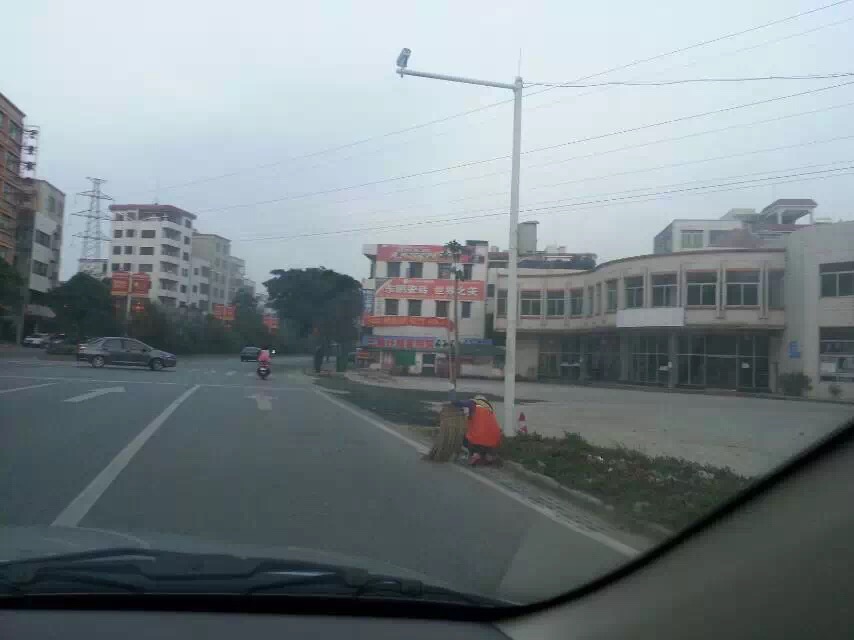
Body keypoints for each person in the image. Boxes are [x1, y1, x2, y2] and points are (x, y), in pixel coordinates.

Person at [453, 395, 502, 465]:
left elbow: (458, 403)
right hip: (495, 440)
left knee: (464, 438)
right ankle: (488, 455)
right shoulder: (489, 410)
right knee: (484, 442)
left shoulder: (474, 403)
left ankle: (474, 454)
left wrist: (452, 400)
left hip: (479, 439)